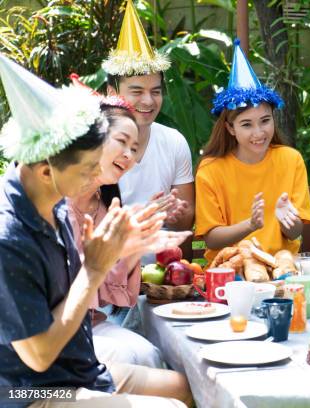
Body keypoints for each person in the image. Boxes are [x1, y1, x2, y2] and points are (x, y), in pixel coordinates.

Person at [0, 54, 192, 407]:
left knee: (187, 386)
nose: (97, 178)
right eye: (89, 169)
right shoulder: (8, 237)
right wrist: (94, 268)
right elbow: (39, 355)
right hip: (29, 391)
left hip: (77, 371)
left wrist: (124, 248)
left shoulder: (51, 200)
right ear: (46, 169)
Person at [67, 96, 191, 369]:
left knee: (150, 355)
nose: (129, 155)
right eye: (122, 142)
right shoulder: (54, 197)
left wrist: (136, 242)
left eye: (134, 149)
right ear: (93, 135)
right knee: (129, 358)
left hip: (90, 323)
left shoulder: (105, 206)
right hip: (49, 330)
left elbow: (110, 292)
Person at [194, 39, 310, 266]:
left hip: (282, 268)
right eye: (247, 124)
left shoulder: (290, 159)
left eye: (265, 121)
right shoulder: (211, 169)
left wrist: (287, 219)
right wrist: (251, 225)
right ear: (230, 128)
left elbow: (295, 232)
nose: (259, 132)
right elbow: (211, 239)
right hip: (230, 271)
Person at [103, 0, 194, 261]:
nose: (148, 101)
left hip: (163, 276)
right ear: (112, 93)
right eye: (137, 91)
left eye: (155, 91)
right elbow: (84, 226)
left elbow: (185, 224)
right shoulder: (92, 146)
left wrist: (176, 214)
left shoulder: (174, 141)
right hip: (107, 275)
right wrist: (146, 214)